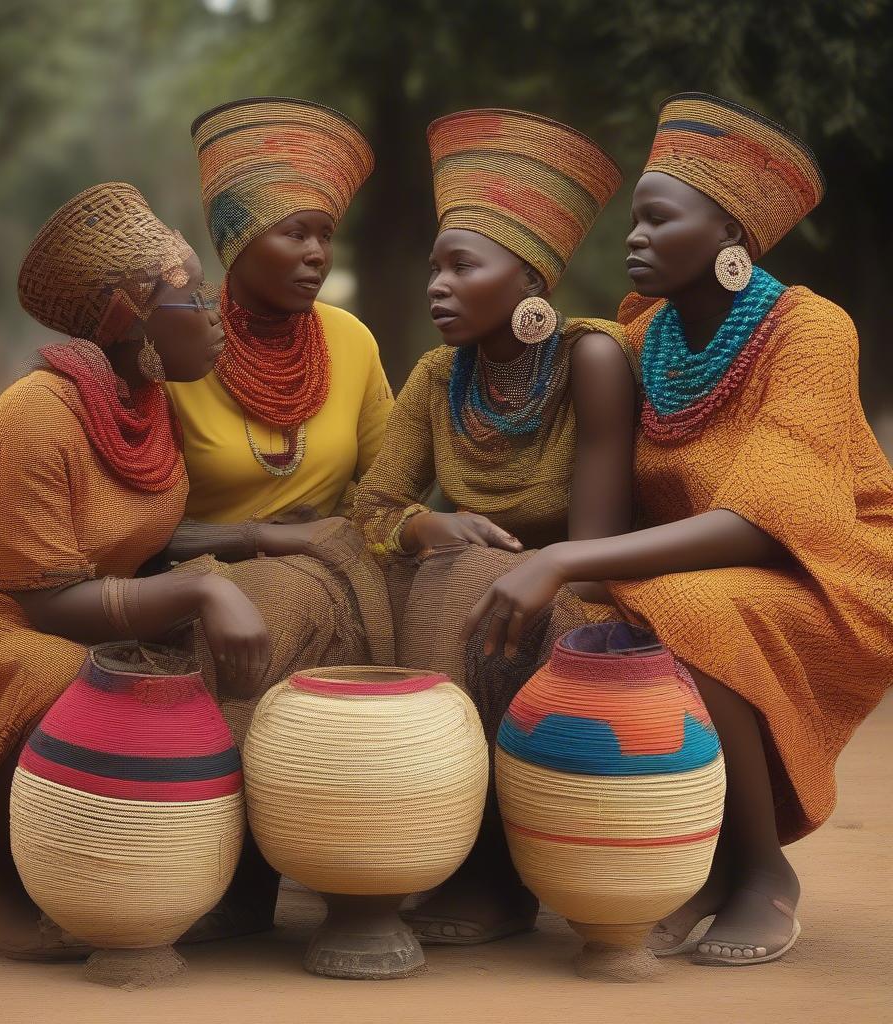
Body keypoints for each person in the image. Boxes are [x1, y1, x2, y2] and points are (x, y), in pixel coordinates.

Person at [465, 93, 893, 965]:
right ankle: (680, 863)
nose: (635, 238)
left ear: (730, 236)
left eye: (660, 218)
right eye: (633, 219)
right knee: (600, 617)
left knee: (691, 609)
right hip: (684, 573)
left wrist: (570, 557)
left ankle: (761, 871)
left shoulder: (809, 330)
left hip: (829, 569)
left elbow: (759, 523)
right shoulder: (644, 332)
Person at [0, 182, 267, 959]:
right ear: (131, 319)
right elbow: (50, 600)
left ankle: (124, 859)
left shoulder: (147, 401)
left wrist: (263, 536)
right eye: (194, 295)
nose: (218, 312)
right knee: (81, 683)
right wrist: (203, 588)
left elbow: (130, 536)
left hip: (45, 604)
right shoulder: (36, 414)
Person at [352, 109, 637, 944]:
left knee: (471, 586)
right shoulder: (441, 375)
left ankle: (495, 872)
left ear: (529, 281)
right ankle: (405, 839)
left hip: (575, 599)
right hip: (456, 588)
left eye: (461, 266)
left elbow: (589, 561)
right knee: (369, 576)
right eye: (434, 268)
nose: (436, 285)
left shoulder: (593, 358)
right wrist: (425, 530)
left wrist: (484, 564)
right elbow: (372, 506)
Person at [157, 97, 397, 941]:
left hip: (335, 572)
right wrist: (259, 538)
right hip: (197, 579)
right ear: (235, 242)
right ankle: (216, 862)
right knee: (236, 619)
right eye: (293, 232)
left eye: (324, 234)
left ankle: (325, 858)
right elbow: (138, 531)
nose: (317, 255)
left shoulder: (354, 341)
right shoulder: (179, 350)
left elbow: (384, 496)